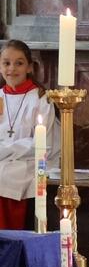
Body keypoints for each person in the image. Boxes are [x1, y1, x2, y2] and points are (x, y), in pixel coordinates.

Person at [0, 40, 56, 229]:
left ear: (30, 67)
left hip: (30, 161)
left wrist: (6, 150)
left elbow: (42, 143)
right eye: (6, 63)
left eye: (19, 63)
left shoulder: (40, 98)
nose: (12, 69)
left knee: (5, 174)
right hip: (3, 160)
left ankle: (8, 238)